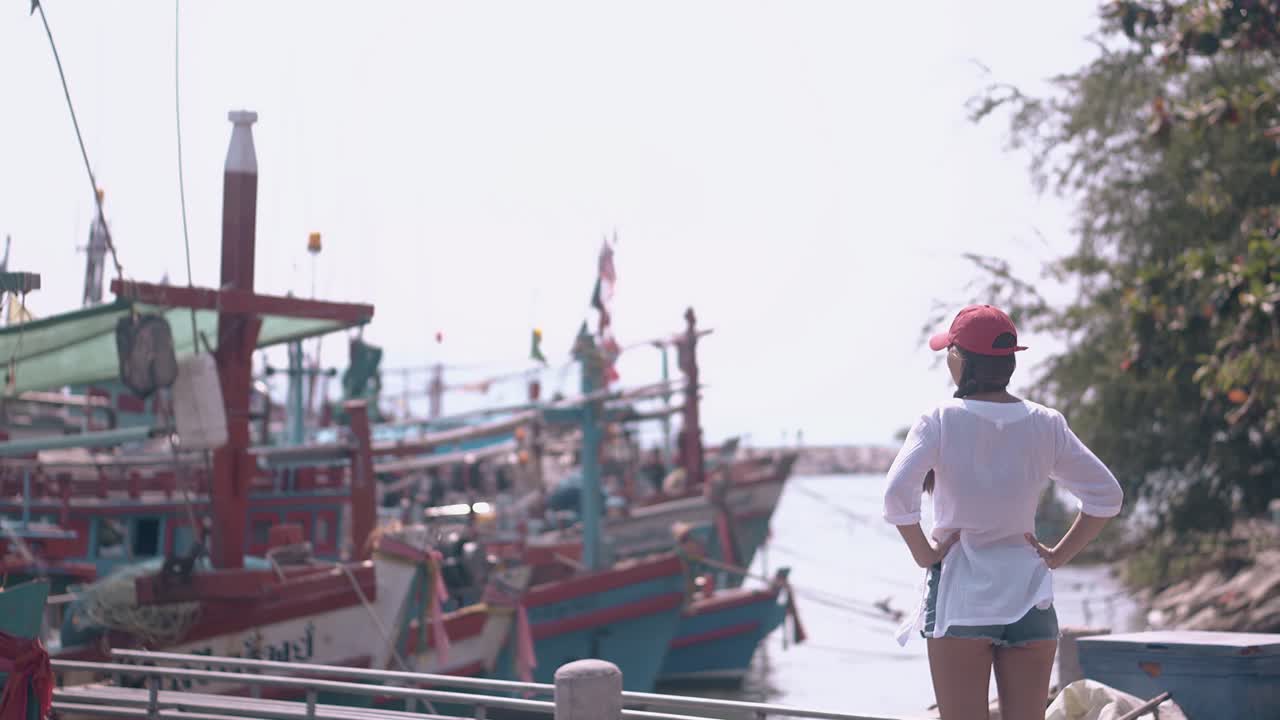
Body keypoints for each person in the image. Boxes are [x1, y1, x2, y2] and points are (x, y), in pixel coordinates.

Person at [883, 304, 1123, 720]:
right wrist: (1059, 555)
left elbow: (896, 496)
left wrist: (924, 553)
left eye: (949, 353)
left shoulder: (940, 419)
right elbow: (1106, 496)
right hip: (1031, 599)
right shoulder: (1046, 423)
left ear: (960, 360)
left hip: (962, 599)